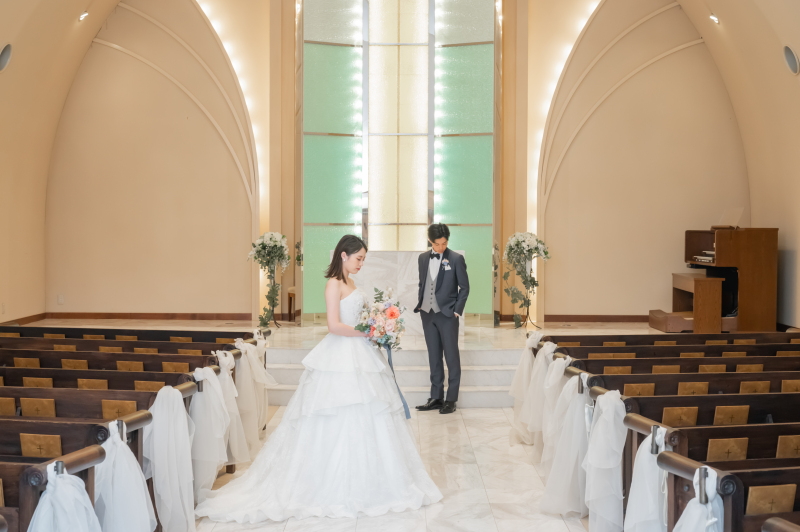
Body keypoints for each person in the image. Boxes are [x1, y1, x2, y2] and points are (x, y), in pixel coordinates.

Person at [194, 234, 442, 524]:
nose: (362, 263)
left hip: (360, 352)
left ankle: (370, 481)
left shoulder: (351, 283)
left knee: (369, 413)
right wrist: (368, 331)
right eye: (359, 258)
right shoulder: (333, 284)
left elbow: (357, 318)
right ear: (343, 256)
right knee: (336, 412)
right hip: (342, 352)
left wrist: (377, 327)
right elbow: (334, 325)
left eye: (364, 259)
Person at [414, 223, 470, 415]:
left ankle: (451, 399)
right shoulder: (422, 258)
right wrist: (421, 303)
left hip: (447, 314)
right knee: (434, 356)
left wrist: (456, 310)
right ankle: (436, 397)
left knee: (451, 357)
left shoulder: (456, 259)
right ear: (430, 241)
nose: (441, 247)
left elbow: (465, 287)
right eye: (437, 244)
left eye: (444, 243)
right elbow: (423, 283)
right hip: (427, 314)